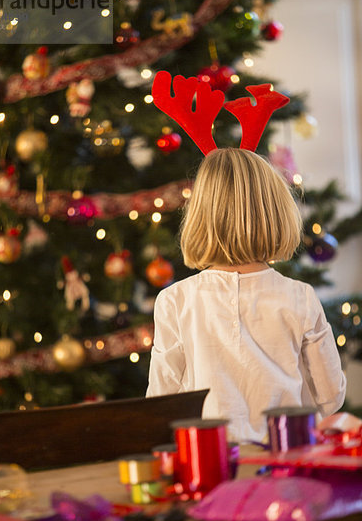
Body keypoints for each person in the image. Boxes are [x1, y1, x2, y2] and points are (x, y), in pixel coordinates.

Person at [146, 147, 346, 442]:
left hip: (211, 462)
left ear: (200, 215)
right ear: (277, 212)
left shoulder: (175, 301)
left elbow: (160, 401)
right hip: (287, 457)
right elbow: (330, 397)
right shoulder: (299, 296)